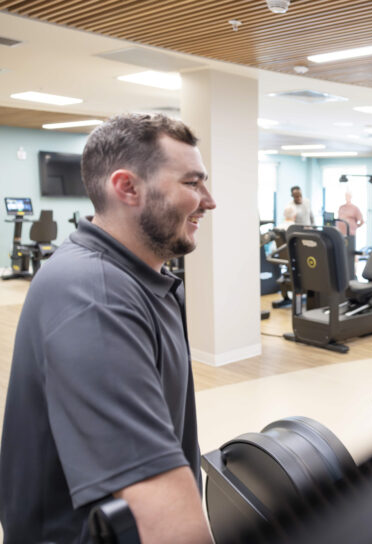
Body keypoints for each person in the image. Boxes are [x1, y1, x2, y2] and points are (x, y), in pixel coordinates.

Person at [0, 113, 216, 543]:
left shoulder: (141, 279)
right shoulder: (93, 295)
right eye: (192, 184)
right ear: (127, 188)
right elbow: (163, 510)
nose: (209, 200)